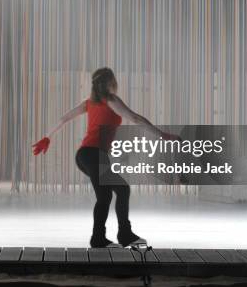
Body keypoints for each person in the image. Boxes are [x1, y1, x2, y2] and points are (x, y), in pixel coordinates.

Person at [32, 67, 179, 248]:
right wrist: (162, 135)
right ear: (111, 82)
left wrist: (47, 137)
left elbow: (64, 118)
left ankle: (108, 237)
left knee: (112, 193)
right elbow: (134, 118)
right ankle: (114, 236)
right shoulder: (110, 99)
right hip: (94, 154)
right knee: (114, 193)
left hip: (85, 156)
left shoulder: (89, 103)